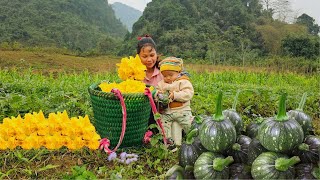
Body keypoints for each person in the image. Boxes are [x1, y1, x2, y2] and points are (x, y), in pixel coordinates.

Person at [154, 57, 194, 148]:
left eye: (170, 75)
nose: (167, 78)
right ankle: (168, 141)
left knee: (188, 125)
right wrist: (158, 94)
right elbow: (156, 92)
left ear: (178, 72)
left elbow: (188, 93)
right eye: (164, 76)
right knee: (163, 125)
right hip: (167, 112)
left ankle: (193, 137)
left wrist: (175, 95)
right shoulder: (161, 84)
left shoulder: (183, 82)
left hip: (182, 111)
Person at [136, 35, 163, 134]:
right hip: (141, 114)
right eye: (144, 56)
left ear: (156, 54)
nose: (149, 59)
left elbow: (180, 73)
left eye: (152, 55)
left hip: (161, 113)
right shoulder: (134, 74)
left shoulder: (163, 71)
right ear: (138, 57)